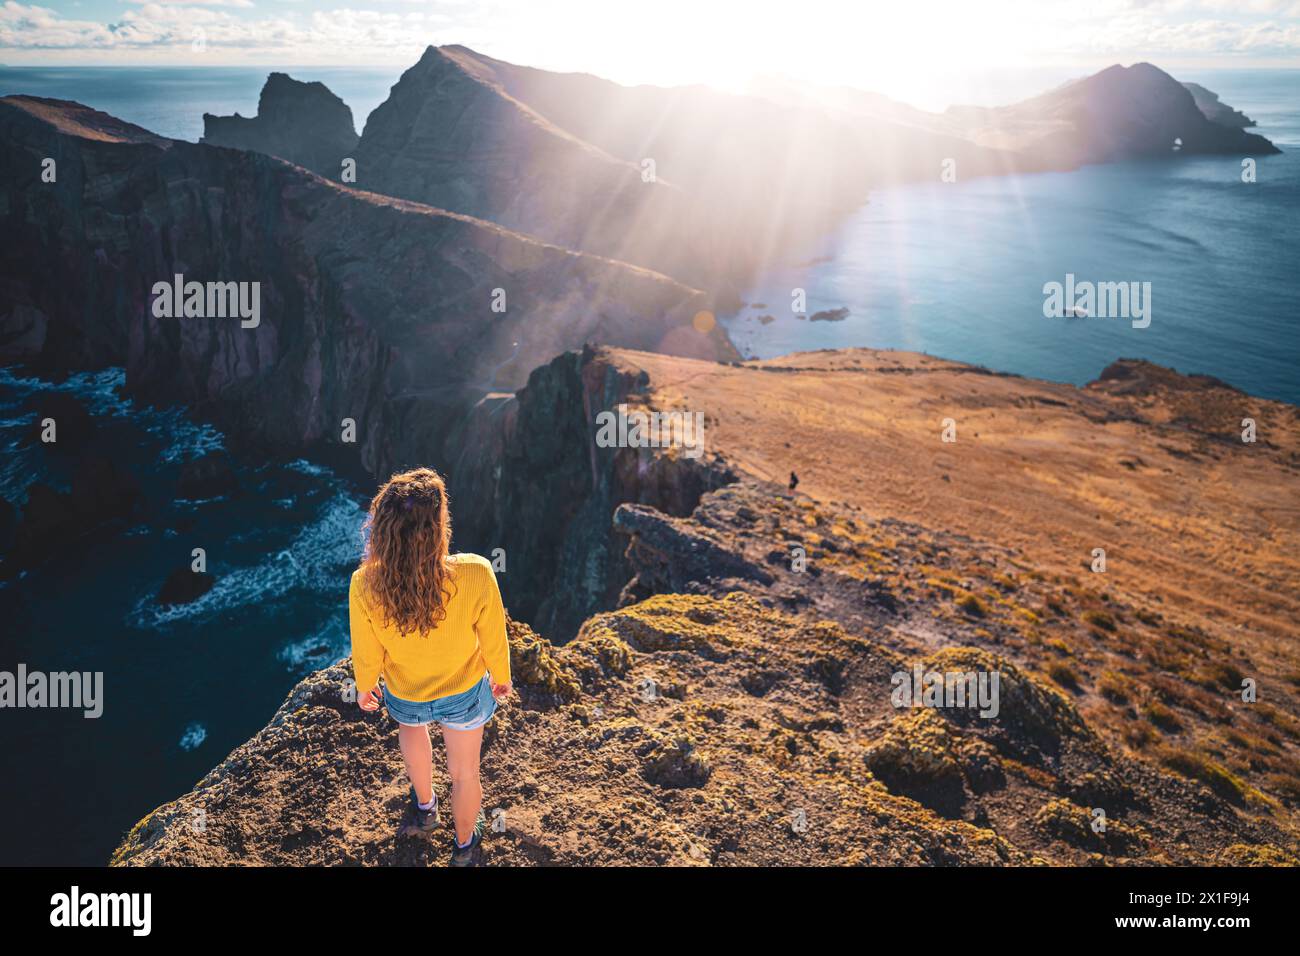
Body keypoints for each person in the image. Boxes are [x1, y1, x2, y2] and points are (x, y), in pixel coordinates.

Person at [349, 467, 512, 866]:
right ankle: (463, 847)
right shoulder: (475, 572)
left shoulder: (365, 584)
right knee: (465, 774)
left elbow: (366, 648)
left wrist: (366, 685)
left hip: (407, 690)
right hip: (466, 693)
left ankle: (425, 809)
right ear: (439, 527)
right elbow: (494, 633)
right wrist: (502, 676)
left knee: (413, 732)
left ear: (384, 530)